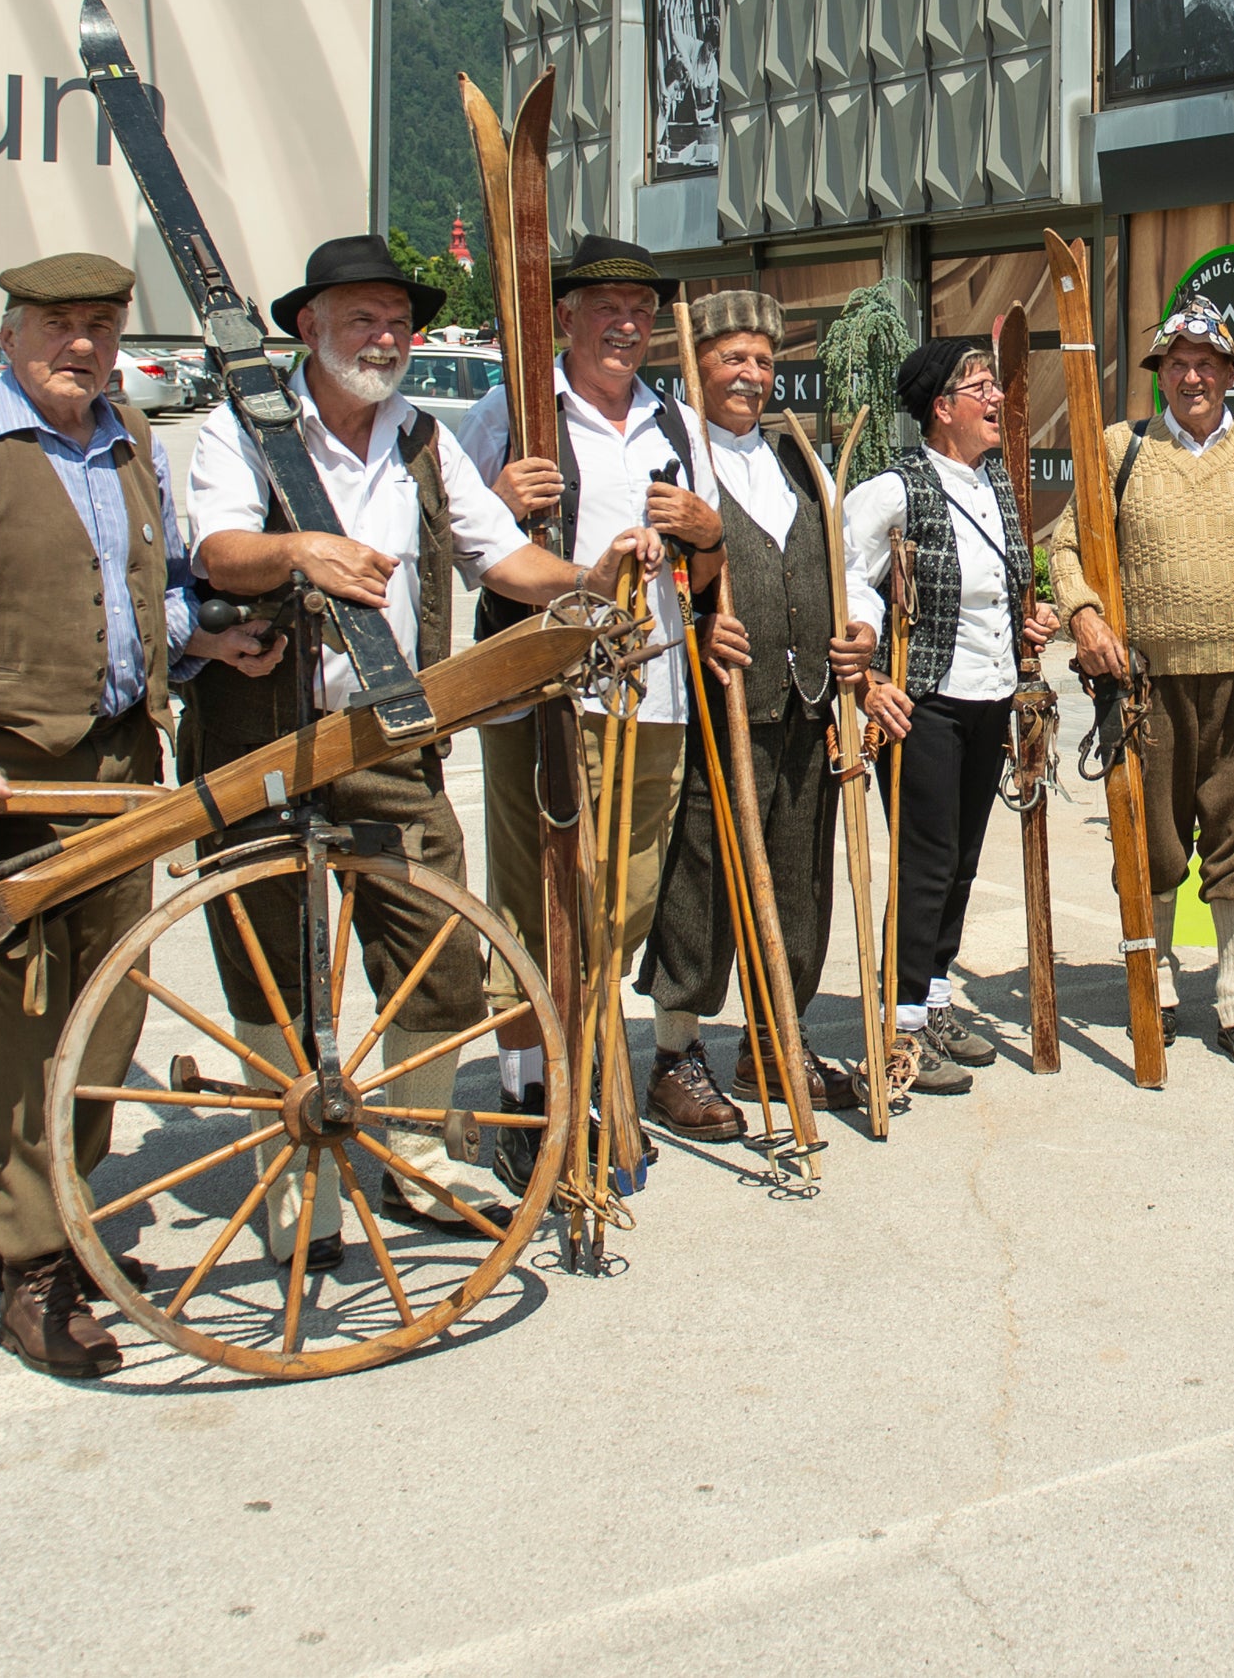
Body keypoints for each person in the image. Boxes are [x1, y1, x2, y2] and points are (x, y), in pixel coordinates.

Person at [0, 253, 283, 1379]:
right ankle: (28, 1261)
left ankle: (67, 1218)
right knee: (14, 1008)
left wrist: (207, 637)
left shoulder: (130, 439)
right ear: (11, 331)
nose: (80, 346)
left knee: (104, 1002)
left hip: (116, 763)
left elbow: (148, 594)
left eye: (99, 324)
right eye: (58, 324)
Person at [186, 235, 643, 1257]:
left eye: (397, 319)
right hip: (261, 733)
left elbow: (501, 554)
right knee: (272, 957)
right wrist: (297, 548)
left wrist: (591, 576)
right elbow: (216, 547)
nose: (385, 336)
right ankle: (294, 1176)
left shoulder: (420, 440)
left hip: (389, 734)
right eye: (362, 318)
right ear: (308, 327)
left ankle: (415, 1156)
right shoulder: (245, 430)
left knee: (435, 946)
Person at [451, 235, 716, 1166]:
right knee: (536, 898)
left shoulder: (676, 423)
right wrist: (494, 491)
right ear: (563, 317)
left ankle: (591, 1064)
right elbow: (454, 538)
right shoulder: (512, 414)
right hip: (544, 693)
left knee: (626, 896)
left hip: (659, 689)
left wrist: (707, 531)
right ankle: (530, 1101)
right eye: (606, 306)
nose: (627, 323)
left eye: (640, 310)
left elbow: (712, 553)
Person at [1043, 296, 1234, 1069]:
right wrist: (1086, 617)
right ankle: (1157, 982)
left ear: (1232, 374)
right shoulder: (1119, 448)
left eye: (1207, 365)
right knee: (1154, 837)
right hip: (1146, 683)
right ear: (1159, 374)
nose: (1192, 377)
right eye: (1178, 365)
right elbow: (1066, 548)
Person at [639, 290, 870, 1138]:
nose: (752, 374)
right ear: (694, 362)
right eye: (733, 356)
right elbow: (647, 571)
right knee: (699, 877)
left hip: (807, 702)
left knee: (801, 877)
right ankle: (676, 1055)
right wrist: (697, 627)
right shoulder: (669, 451)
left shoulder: (793, 457)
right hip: (717, 708)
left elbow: (842, 566)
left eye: (765, 361)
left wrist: (855, 634)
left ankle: (774, 1040)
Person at [851, 339, 1062, 1089]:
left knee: (964, 862)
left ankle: (934, 997)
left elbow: (998, 585)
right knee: (926, 864)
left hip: (988, 696)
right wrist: (871, 675)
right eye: (980, 388)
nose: (996, 399)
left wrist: (1024, 623)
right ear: (943, 409)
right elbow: (849, 577)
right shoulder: (896, 488)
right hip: (926, 700)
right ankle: (901, 1026)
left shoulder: (995, 480)